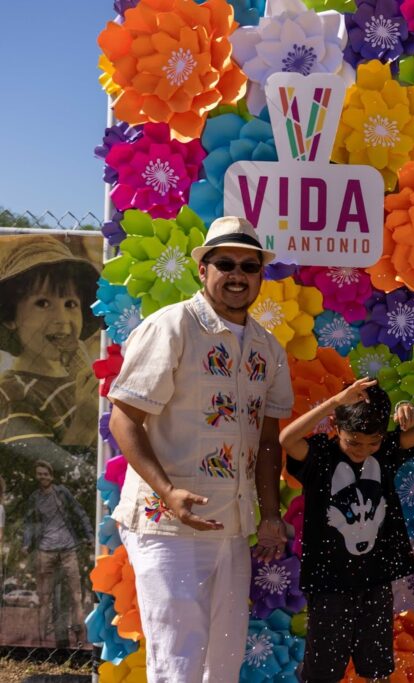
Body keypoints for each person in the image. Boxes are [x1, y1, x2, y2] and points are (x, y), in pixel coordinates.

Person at [108, 216, 294, 682]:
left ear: (260, 276)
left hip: (230, 526)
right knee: (178, 659)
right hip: (167, 525)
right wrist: (168, 492)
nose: (237, 274)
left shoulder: (266, 347)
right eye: (225, 263)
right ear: (203, 270)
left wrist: (270, 515)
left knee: (222, 663)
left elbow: (268, 440)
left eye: (248, 266)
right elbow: (124, 417)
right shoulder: (172, 328)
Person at [279, 378, 414, 683]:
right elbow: (287, 438)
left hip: (374, 579)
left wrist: (413, 414)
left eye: (372, 443)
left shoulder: (385, 450)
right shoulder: (320, 455)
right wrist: (334, 402)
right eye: (354, 441)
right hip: (329, 583)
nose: (363, 450)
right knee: (323, 668)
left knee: (376, 666)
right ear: (336, 427)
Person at [0, 236, 100, 470]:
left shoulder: (82, 384)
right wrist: (84, 425)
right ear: (10, 317)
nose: (62, 319)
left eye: (70, 304)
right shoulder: (11, 395)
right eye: (43, 303)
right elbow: (35, 489)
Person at [21, 460, 91, 647]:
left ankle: (79, 638)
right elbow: (29, 523)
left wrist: (90, 535)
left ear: (51, 475)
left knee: (76, 596)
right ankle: (40, 641)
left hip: (68, 549)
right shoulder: (34, 498)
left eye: (46, 473)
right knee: (44, 597)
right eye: (40, 474)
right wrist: (26, 543)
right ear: (37, 476)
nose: (43, 476)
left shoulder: (61, 492)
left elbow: (78, 511)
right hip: (46, 551)